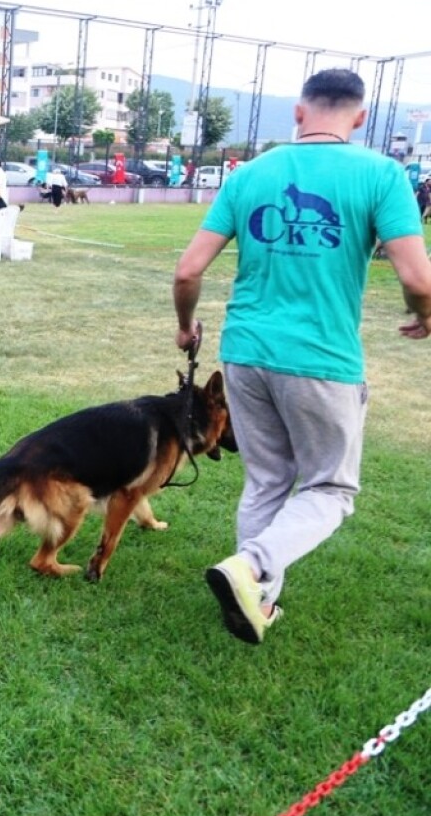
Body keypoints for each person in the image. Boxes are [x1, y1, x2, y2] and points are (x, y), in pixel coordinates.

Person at [172, 69, 431, 645]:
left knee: (266, 482)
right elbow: (418, 275)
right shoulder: (383, 174)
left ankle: (256, 601)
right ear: (359, 118)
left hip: (245, 352)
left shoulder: (251, 174)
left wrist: (186, 327)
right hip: (322, 359)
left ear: (298, 112)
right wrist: (426, 314)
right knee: (331, 490)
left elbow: (189, 269)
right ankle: (252, 568)